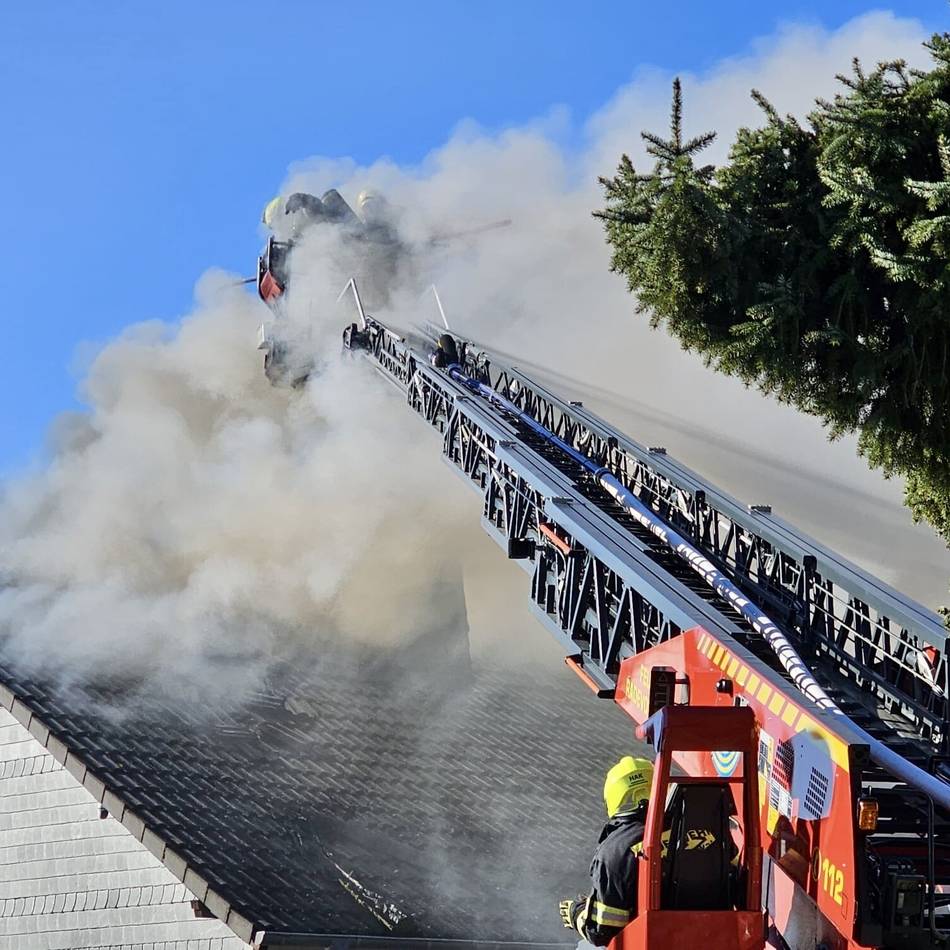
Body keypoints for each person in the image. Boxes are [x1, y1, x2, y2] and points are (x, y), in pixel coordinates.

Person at [559, 756, 653, 946]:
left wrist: (577, 913)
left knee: (586, 947)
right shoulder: (703, 829)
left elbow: (604, 931)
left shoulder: (615, 850)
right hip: (709, 935)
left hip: (650, 940)